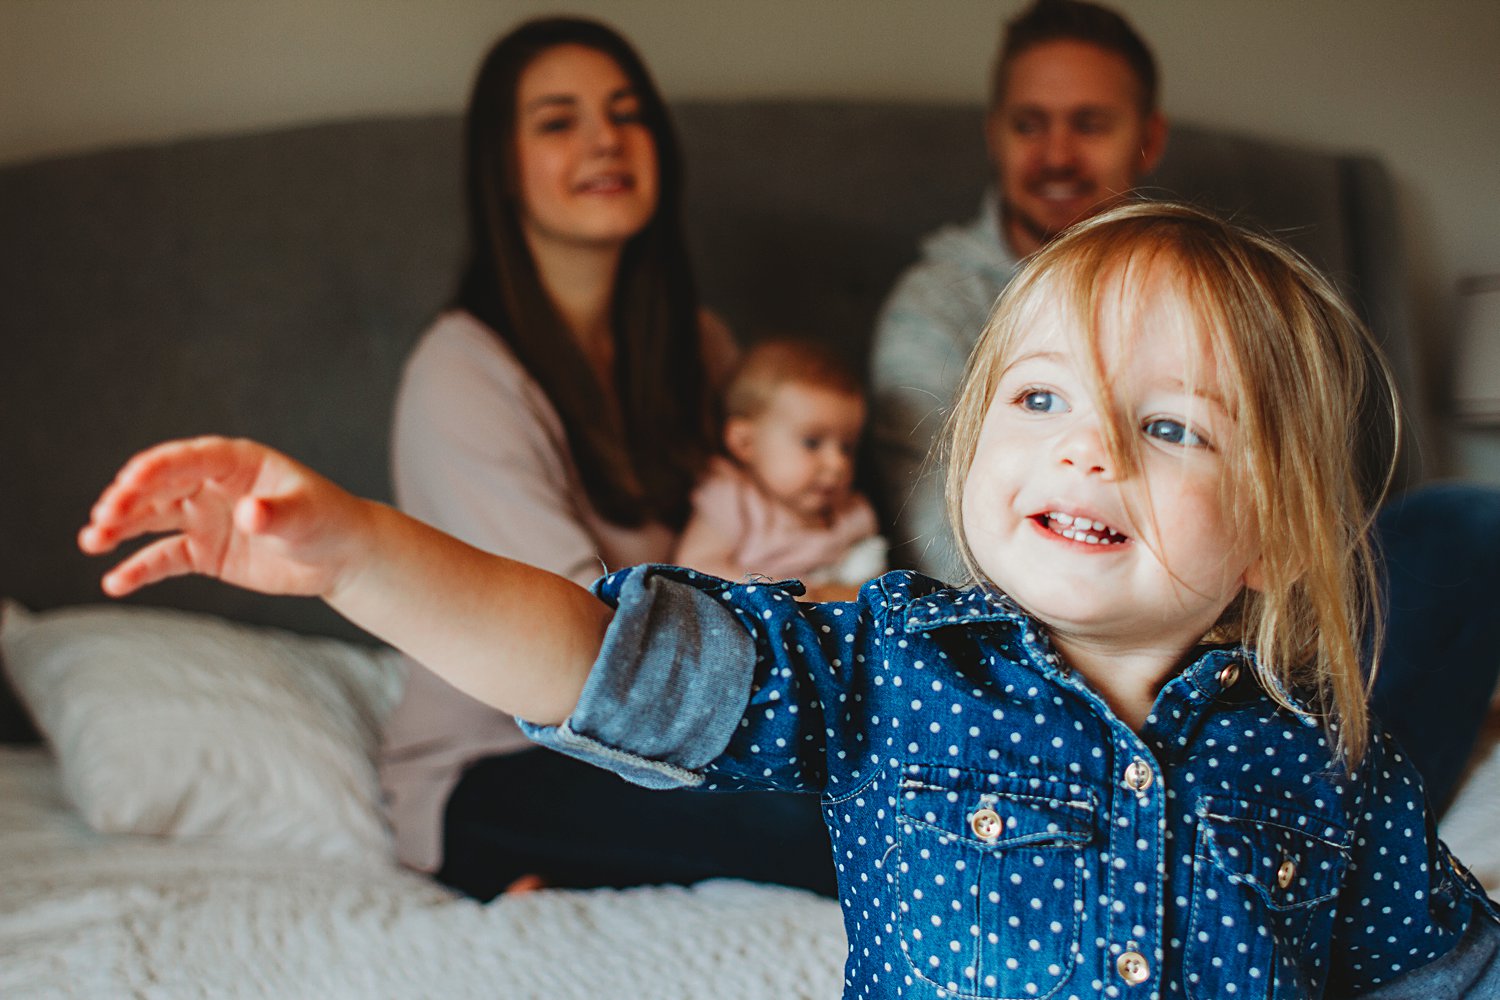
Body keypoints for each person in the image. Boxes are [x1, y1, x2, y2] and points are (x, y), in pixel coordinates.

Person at [80, 202, 1500, 997]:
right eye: (1045, 396)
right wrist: (355, 554)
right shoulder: (887, 661)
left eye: (1174, 426)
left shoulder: (1330, 763)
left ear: (1272, 539)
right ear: (967, 449)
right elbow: (599, 656)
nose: (1093, 446)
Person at [868, 0, 1500, 814]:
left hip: (1245, 625)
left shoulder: (1236, 301)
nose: (1057, 152)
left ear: (1147, 137)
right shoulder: (940, 301)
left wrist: (1222, 619)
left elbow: (1303, 509)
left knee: (1467, 527)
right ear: (995, 134)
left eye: (1089, 123)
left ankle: (1327, 806)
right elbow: (950, 533)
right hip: (1005, 658)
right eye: (1031, 124)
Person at [376, 16, 833, 900]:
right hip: (506, 758)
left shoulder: (697, 347)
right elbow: (576, 645)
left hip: (674, 725)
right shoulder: (462, 370)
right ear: (504, 169)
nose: (605, 140)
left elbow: (770, 541)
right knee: (825, 813)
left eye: (627, 114)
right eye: (558, 121)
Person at [673, 338, 886, 599]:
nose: (837, 463)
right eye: (812, 442)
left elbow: (869, 580)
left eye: (847, 448)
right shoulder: (734, 499)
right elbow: (696, 567)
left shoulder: (848, 514)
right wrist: (781, 595)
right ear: (745, 442)